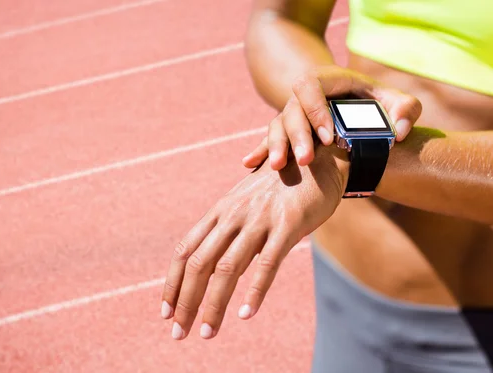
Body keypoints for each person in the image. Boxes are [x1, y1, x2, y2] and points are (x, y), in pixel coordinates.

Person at [161, 0, 493, 371]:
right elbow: (281, 20)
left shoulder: (345, 158)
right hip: (348, 305)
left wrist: (357, 155)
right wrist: (323, 118)